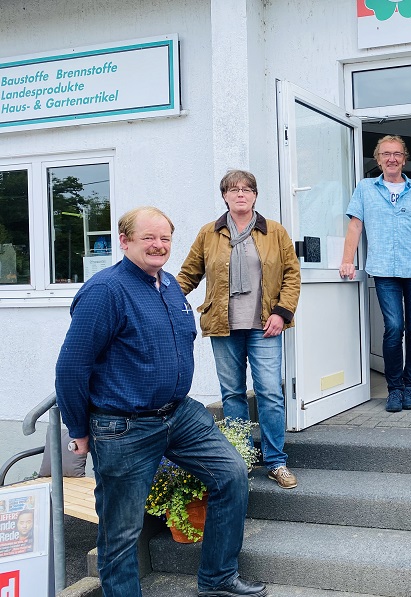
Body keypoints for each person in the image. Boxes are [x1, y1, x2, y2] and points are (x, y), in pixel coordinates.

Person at [56, 207, 266, 597]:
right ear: (125, 241)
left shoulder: (168, 284)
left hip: (179, 413)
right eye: (148, 238)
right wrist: (79, 431)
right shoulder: (105, 291)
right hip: (123, 426)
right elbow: (71, 367)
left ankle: (218, 580)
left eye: (165, 238)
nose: (158, 245)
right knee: (121, 530)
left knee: (231, 475)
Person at [178, 170, 301, 490]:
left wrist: (282, 312)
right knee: (232, 395)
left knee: (270, 393)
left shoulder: (274, 232)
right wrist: (158, 298)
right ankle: (242, 458)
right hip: (223, 324)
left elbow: (292, 274)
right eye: (233, 190)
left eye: (247, 189)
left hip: (265, 325)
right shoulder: (209, 233)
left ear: (256, 195)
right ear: (224, 196)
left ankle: (276, 461)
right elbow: (188, 275)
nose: (240, 194)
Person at [340, 135, 411, 413]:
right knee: (394, 328)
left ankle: (410, 388)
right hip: (384, 270)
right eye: (386, 154)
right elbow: (355, 227)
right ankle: (394, 389)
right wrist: (347, 260)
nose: (392, 158)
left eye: (397, 154)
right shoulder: (365, 188)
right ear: (379, 159)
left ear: (404, 159)